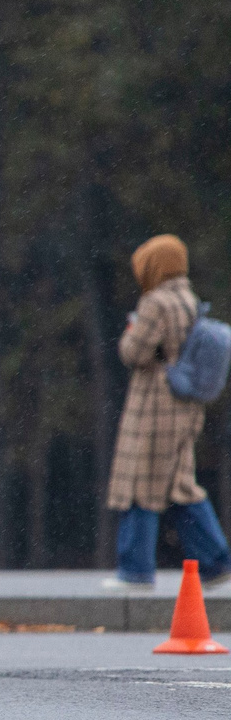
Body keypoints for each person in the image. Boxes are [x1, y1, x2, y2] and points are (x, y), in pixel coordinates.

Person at [102, 234, 231, 591]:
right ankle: (216, 562)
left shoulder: (155, 302)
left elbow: (135, 352)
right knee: (180, 487)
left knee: (140, 485)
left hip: (155, 407)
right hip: (185, 406)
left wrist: (130, 332)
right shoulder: (187, 299)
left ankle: (135, 569)